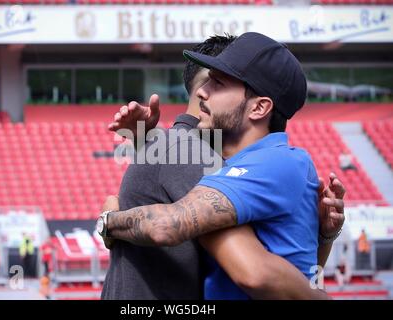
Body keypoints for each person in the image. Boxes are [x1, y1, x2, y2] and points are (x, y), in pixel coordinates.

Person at [100, 34, 345, 299]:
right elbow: (307, 274)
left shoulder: (278, 163)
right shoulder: (240, 165)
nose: (203, 91)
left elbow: (167, 226)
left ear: (259, 108)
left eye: (218, 83)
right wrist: (324, 238)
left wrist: (108, 220)